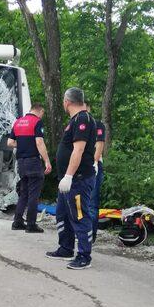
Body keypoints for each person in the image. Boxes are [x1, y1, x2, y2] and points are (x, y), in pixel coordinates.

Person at [46, 87, 97, 270]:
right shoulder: (75, 120)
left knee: (79, 215)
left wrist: (68, 175)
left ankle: (84, 255)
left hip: (78, 179)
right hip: (67, 180)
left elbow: (79, 150)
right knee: (62, 213)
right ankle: (65, 248)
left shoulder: (83, 119)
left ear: (67, 101)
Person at [7, 103, 51, 233]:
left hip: (21, 162)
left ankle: (17, 222)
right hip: (33, 161)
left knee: (24, 192)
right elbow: (39, 142)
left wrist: (21, 145)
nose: (42, 116)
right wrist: (47, 161)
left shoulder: (18, 122)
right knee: (34, 194)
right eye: (42, 114)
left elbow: (9, 142)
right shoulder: (37, 122)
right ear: (40, 111)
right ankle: (31, 224)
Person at [86, 104, 106, 243]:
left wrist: (93, 163)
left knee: (92, 204)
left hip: (93, 166)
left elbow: (99, 145)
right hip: (78, 167)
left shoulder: (97, 124)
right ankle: (82, 233)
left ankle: (91, 236)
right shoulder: (75, 124)